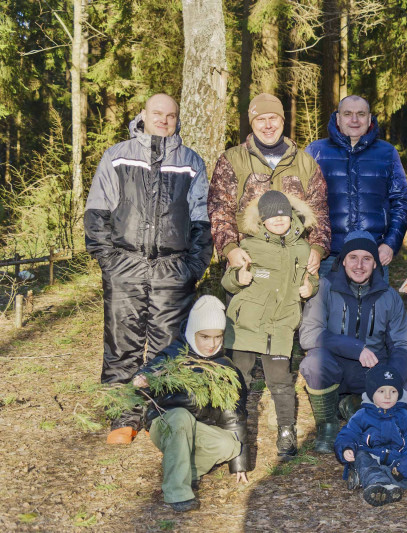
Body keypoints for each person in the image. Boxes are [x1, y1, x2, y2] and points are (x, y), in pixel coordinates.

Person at [84, 93, 213, 444]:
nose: (163, 120)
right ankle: (122, 417)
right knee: (121, 344)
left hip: (173, 267)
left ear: (177, 119)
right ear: (143, 114)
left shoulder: (190, 161)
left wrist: (193, 266)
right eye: (158, 113)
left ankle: (160, 416)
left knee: (166, 348)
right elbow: (97, 213)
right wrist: (109, 262)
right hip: (125, 264)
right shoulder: (117, 156)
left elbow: (202, 216)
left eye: (171, 115)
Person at [220, 190, 319, 461]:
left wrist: (310, 287)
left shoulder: (302, 247)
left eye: (283, 215)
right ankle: (230, 429)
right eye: (272, 216)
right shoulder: (248, 246)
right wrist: (239, 277)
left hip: (281, 324)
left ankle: (286, 431)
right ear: (261, 220)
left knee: (281, 382)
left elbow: (312, 279)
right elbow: (227, 282)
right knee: (239, 378)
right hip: (246, 324)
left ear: (291, 216)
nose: (278, 220)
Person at [299, 231, 407, 453]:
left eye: (367, 258)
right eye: (353, 257)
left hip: (371, 373)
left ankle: (355, 404)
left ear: (375, 264)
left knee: (404, 391)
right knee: (313, 363)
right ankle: (328, 424)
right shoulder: (324, 288)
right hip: (335, 369)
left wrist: (390, 379)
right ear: (343, 260)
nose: (359, 265)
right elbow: (308, 335)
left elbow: (403, 345)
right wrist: (355, 348)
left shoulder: (388, 296)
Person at [132, 296, 249, 512]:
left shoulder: (225, 368)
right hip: (167, 427)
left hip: (200, 431)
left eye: (218, 337)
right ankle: (177, 492)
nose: (212, 343)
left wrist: (239, 465)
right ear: (193, 332)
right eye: (204, 336)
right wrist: (144, 379)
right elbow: (151, 371)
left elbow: (235, 416)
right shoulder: (174, 355)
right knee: (180, 416)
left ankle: (178, 471)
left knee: (230, 445)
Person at [208, 93, 330, 276]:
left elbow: (319, 213)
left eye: (273, 118)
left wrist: (317, 249)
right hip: (248, 265)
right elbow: (220, 211)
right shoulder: (232, 160)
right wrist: (230, 249)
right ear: (252, 122)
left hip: (295, 266)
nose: (268, 126)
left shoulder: (306, 163)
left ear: (282, 119)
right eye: (260, 119)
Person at [305, 95, 407, 279]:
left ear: (369, 118)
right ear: (338, 118)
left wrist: (390, 244)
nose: (354, 120)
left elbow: (401, 202)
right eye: (348, 114)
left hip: (372, 256)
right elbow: (300, 203)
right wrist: (311, 247)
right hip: (327, 258)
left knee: (374, 308)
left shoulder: (387, 153)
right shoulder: (316, 151)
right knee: (326, 308)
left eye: (360, 114)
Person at [334, 364, 407, 507]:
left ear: (399, 393)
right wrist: (346, 448)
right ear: (371, 393)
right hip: (370, 455)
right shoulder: (362, 415)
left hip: (394, 461)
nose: (387, 396)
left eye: (393, 391)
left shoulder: (403, 415)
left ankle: (375, 481)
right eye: (381, 391)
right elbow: (347, 434)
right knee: (361, 456)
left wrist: (406, 465)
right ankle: (378, 483)